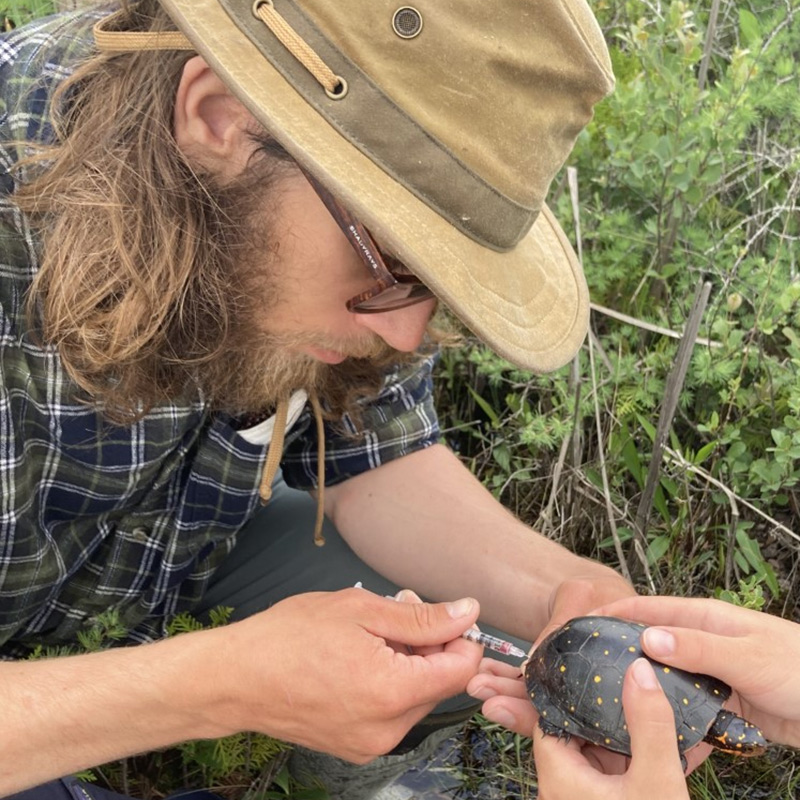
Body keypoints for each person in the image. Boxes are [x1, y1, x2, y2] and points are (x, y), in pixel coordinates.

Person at [0, 1, 635, 798]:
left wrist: (582, 601)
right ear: (219, 115)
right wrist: (218, 684)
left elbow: (384, 455)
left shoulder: (317, 206)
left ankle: (340, 760)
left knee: (511, 638)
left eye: (437, 284)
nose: (405, 333)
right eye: (397, 262)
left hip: (173, 547)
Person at [467, 595, 800, 800]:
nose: (752, 746)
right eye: (746, 743)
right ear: (726, 741)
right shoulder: (683, 738)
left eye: (747, 741)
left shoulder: (712, 687)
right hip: (565, 665)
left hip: (583, 634)